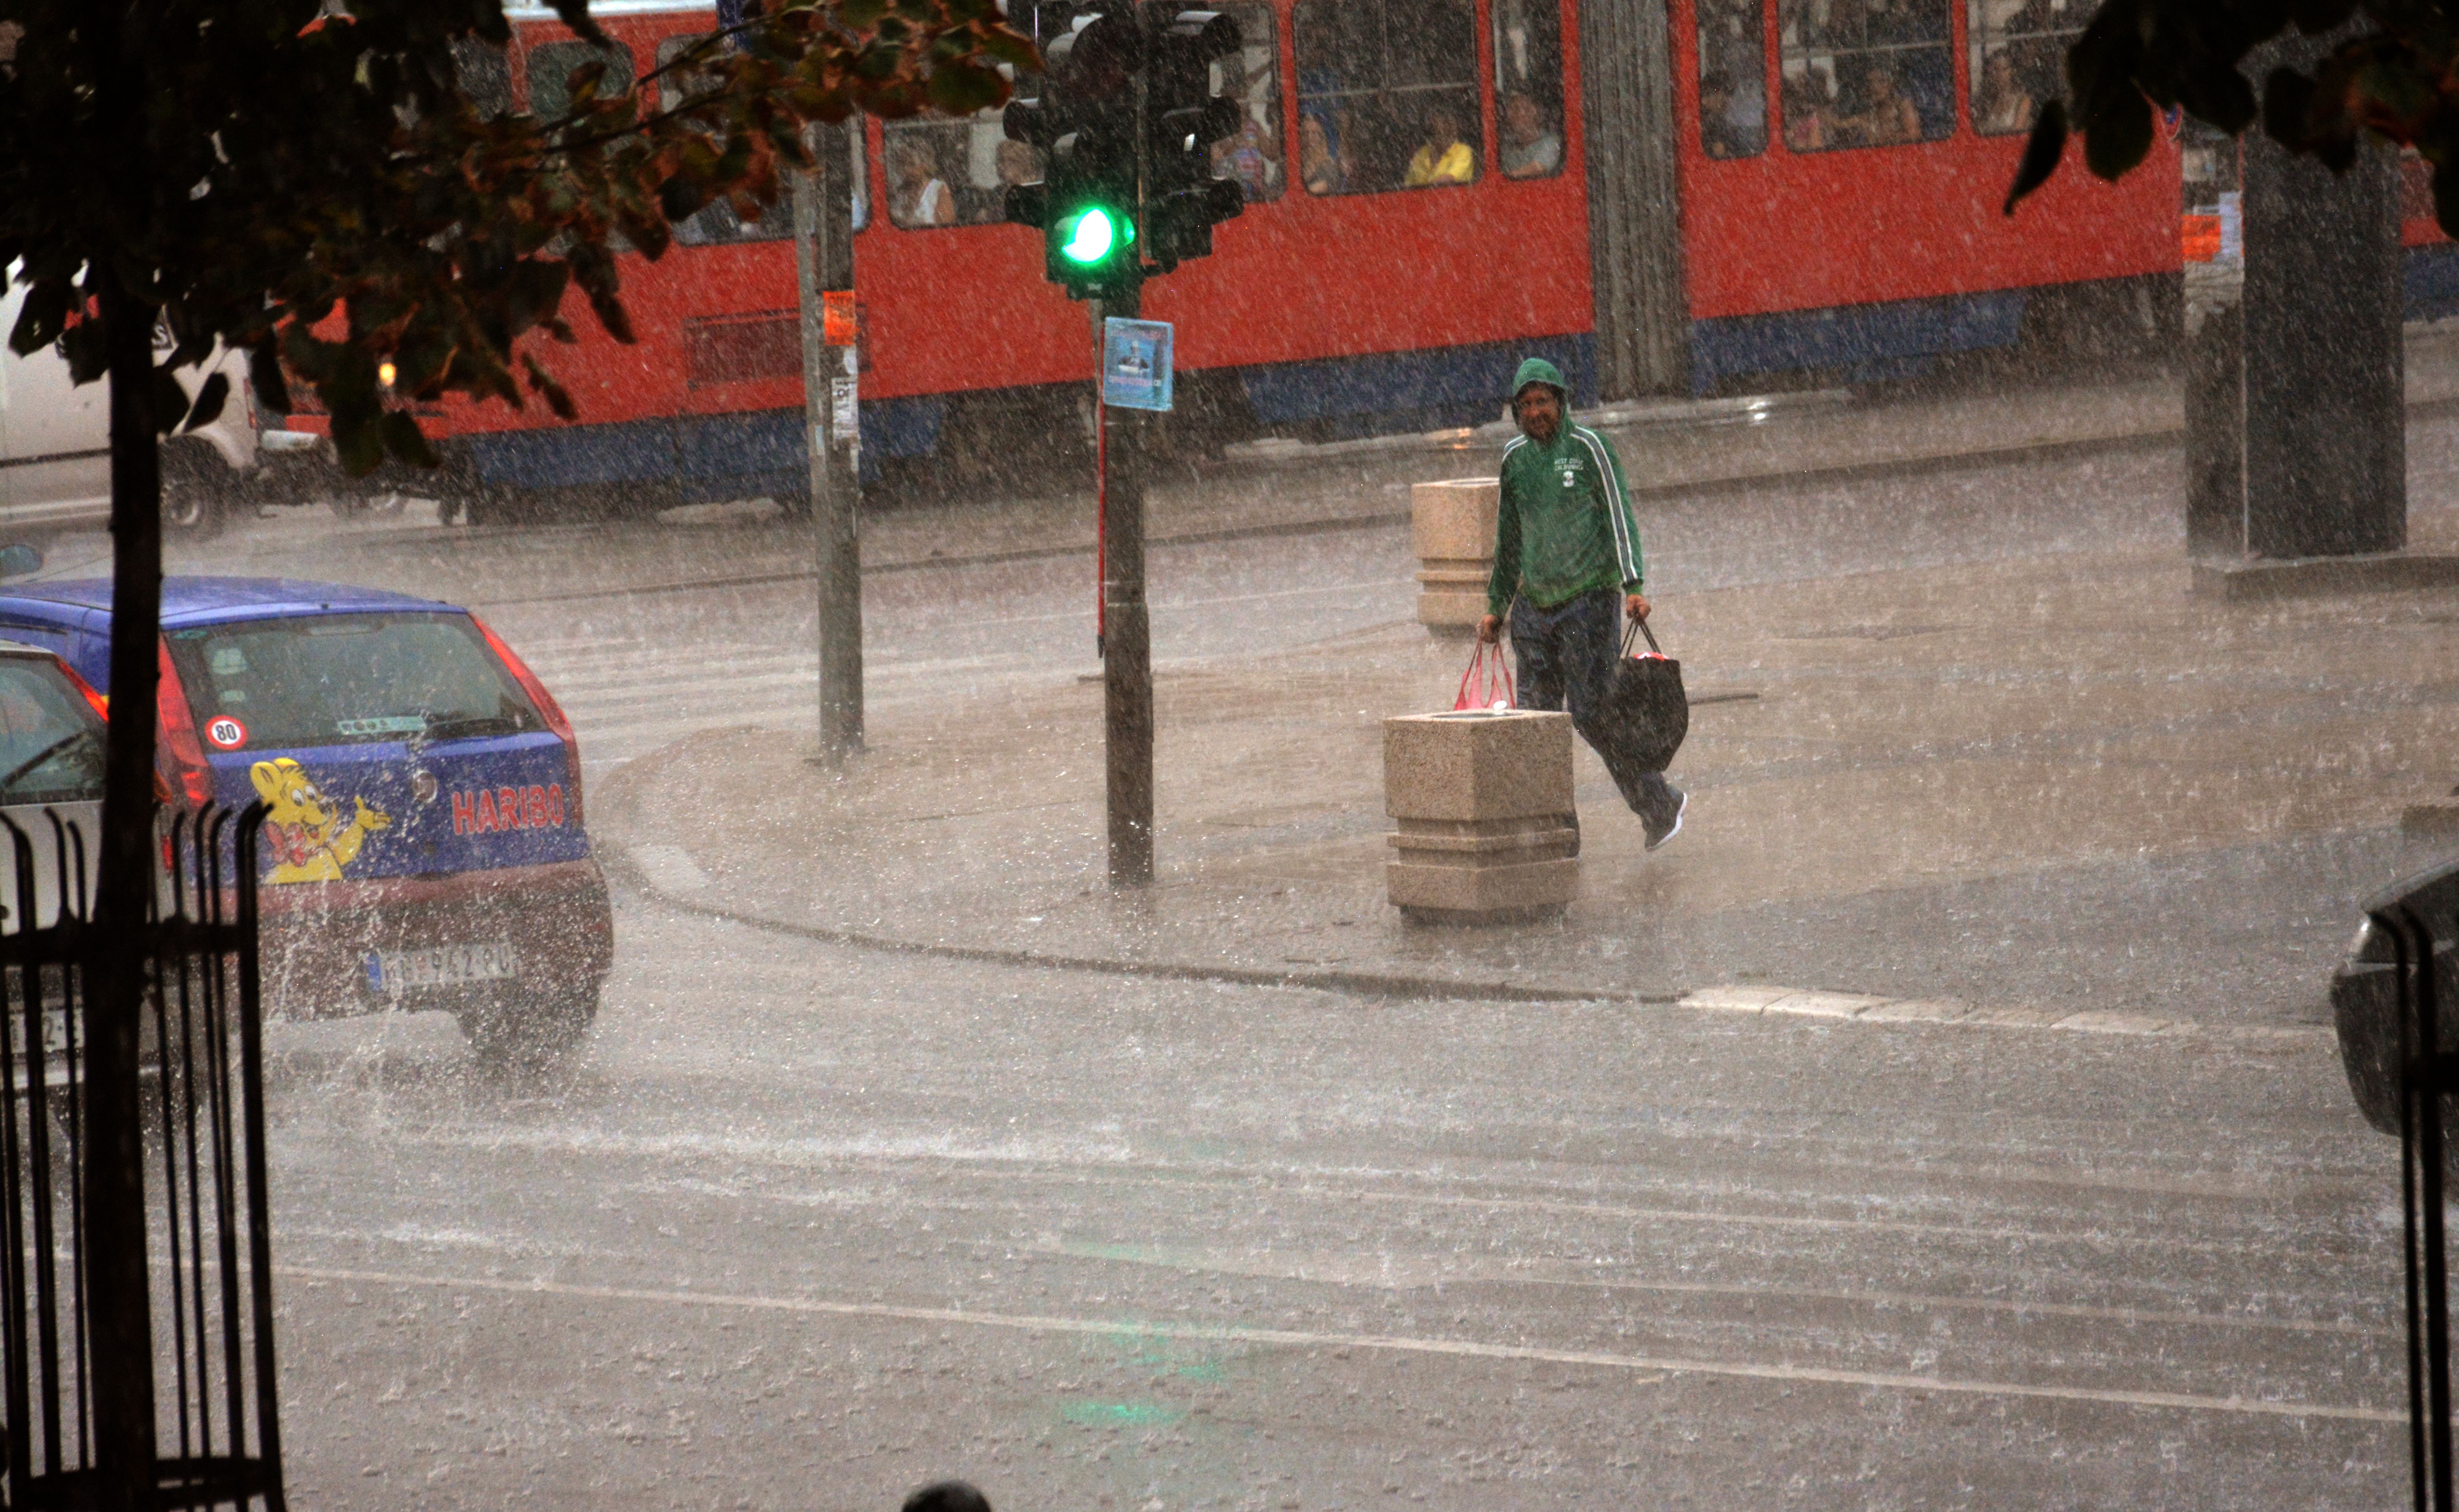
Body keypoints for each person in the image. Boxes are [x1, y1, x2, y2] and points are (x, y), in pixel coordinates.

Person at [1477, 358, 1686, 849]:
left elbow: (1620, 519)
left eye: (1543, 402)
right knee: (1537, 727)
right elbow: (1508, 540)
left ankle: (1658, 804)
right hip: (1533, 611)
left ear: (1561, 403)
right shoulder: (1513, 460)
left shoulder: (1591, 449)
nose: (1536, 412)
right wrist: (1496, 604)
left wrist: (1633, 584)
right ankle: (1556, 835)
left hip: (1588, 602)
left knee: (1593, 714)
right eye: (1526, 405)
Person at [1839, 64, 1921, 146]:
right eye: (1870, 82)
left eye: (1881, 81)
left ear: (1891, 84)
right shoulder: (1871, 111)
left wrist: (1881, 139)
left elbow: (1914, 135)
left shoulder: (1903, 105)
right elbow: (1844, 123)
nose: (1874, 87)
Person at [888, 138, 954, 227]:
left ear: (925, 165)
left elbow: (946, 229)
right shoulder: (898, 193)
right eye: (902, 164)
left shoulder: (939, 190)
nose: (906, 170)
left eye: (912, 164)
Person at [1404, 106, 1475, 187]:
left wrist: (1426, 194)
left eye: (1445, 130)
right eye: (1433, 131)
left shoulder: (1463, 151)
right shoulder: (1421, 154)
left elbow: (1449, 178)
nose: (1441, 135)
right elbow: (1408, 186)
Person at [1499, 92, 1562, 177]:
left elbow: (1538, 168)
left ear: (1533, 111)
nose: (1510, 116)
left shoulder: (1551, 143)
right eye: (1509, 111)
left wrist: (1504, 179)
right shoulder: (1507, 146)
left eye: (1516, 109)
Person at [1973, 49, 2035, 133]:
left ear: (2013, 71)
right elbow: (1977, 131)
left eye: (2004, 69)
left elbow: (2015, 135)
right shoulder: (1986, 102)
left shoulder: (2023, 101)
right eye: (1995, 70)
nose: (2000, 75)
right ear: (1990, 73)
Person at [1299, 113, 1344, 194]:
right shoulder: (1291, 165)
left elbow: (1308, 195)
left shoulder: (1329, 168)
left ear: (1322, 138)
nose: (1310, 138)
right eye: (1306, 133)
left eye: (1315, 133)